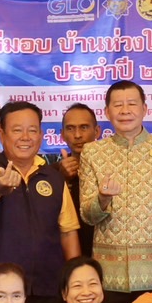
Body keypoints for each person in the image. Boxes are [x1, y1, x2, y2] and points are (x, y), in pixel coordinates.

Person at [78, 81, 152, 303]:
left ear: (145, 109)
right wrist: (103, 199)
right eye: (118, 105)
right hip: (109, 274)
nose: (125, 110)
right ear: (107, 112)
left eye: (131, 104)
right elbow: (87, 216)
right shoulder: (93, 152)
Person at [0, 101, 80, 303]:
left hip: (48, 288)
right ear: (1, 135)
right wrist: (2, 183)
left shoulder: (54, 177)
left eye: (32, 130)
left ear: (41, 135)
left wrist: (76, 279)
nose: (26, 137)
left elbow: (68, 232)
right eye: (17, 130)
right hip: (3, 293)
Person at [57, 103, 99, 256]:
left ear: (97, 131)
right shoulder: (52, 173)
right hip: (68, 255)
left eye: (84, 127)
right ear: (62, 134)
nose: (77, 135)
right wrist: (60, 180)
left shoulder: (110, 170)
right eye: (70, 128)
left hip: (104, 253)